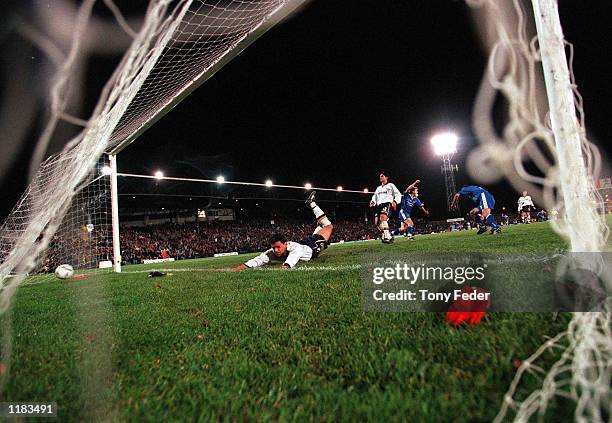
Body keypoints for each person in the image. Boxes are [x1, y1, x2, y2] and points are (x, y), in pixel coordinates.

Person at [231, 192, 333, 271]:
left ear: (286, 243)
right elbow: (258, 260)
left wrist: (285, 266)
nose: (275, 250)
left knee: (328, 226)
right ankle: (318, 225)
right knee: (323, 227)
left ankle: (312, 203)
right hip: (304, 244)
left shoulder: (294, 247)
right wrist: (238, 269)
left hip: (312, 246)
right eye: (273, 247)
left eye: (278, 247)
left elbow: (292, 259)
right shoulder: (272, 253)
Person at [369, 171, 402, 243]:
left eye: (382, 176)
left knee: (383, 217)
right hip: (379, 206)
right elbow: (375, 196)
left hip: (387, 204)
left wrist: (395, 201)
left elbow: (398, 194)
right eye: (380, 176)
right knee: (376, 223)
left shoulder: (391, 185)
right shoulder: (378, 188)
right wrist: (373, 201)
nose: (380, 177)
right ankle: (388, 235)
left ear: (386, 177)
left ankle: (387, 237)